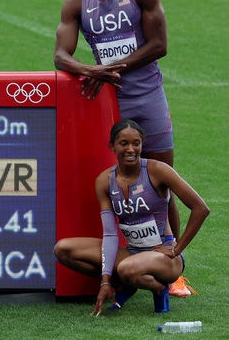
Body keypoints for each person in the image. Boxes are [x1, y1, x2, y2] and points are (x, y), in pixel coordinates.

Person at [53, 0, 192, 297]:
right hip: (110, 105)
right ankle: (126, 262)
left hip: (148, 99)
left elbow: (159, 44)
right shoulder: (77, 2)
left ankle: (173, 268)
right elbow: (60, 55)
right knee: (121, 185)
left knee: (163, 182)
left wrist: (111, 70)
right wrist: (90, 70)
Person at [53, 120, 209, 316]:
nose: (131, 149)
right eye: (124, 143)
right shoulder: (104, 181)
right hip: (132, 254)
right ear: (112, 145)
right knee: (63, 249)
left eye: (136, 143)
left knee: (127, 267)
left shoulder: (157, 170)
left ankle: (159, 288)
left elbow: (201, 208)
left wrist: (176, 249)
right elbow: (110, 235)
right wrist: (106, 281)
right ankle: (123, 284)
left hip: (165, 257)